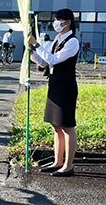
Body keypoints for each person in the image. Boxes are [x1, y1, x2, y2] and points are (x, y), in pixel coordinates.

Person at [29, 9, 79, 177]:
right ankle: (57, 161)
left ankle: (68, 165)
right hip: (55, 85)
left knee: (67, 126)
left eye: (59, 20)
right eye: (55, 20)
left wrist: (37, 45)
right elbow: (44, 61)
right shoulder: (57, 39)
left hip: (66, 87)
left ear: (68, 22)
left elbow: (54, 59)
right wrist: (32, 51)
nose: (56, 23)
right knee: (56, 126)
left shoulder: (72, 42)